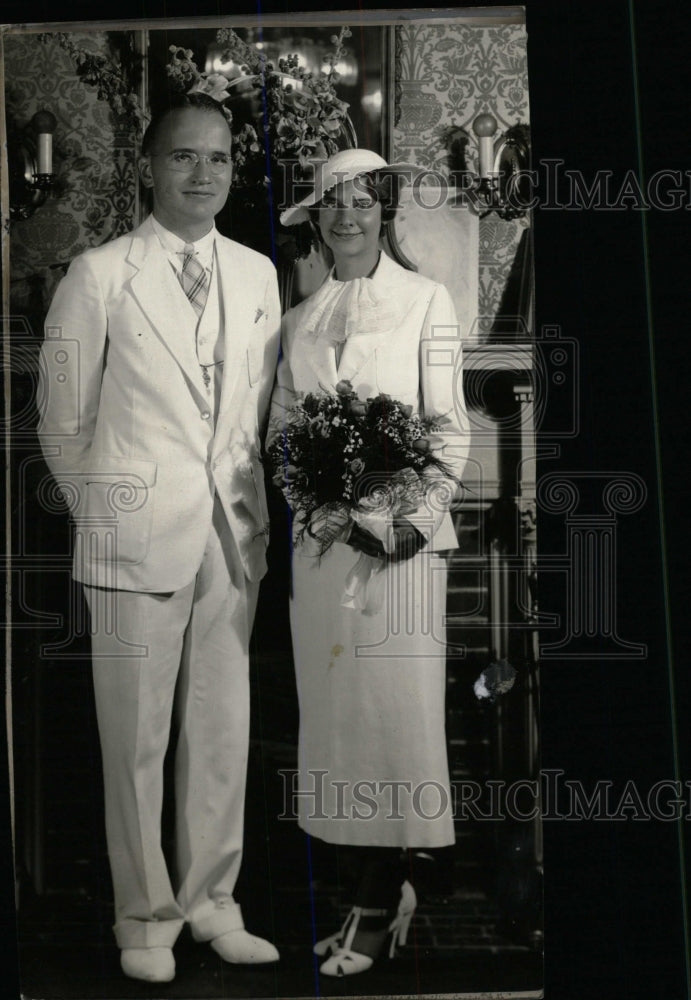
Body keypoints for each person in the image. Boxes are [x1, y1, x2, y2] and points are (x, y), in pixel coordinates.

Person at [37, 93, 281, 984]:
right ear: (150, 166)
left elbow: (251, 411)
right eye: (184, 157)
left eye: (217, 158)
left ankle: (214, 902)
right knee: (134, 738)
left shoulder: (257, 273)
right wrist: (106, 515)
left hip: (232, 532)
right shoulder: (98, 274)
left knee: (223, 727)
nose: (204, 173)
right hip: (133, 533)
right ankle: (143, 915)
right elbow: (60, 423)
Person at [271, 148, 470, 976]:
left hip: (400, 554)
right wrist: (316, 507)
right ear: (315, 219)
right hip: (322, 555)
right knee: (338, 727)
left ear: (382, 211)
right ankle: (368, 891)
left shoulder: (426, 301)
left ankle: (382, 903)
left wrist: (407, 524)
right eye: (331, 204)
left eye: (361, 202)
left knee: (395, 724)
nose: (345, 216)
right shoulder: (298, 320)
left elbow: (448, 426)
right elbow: (281, 434)